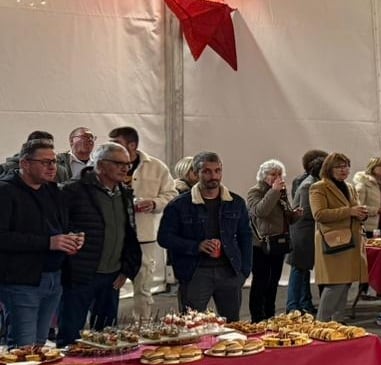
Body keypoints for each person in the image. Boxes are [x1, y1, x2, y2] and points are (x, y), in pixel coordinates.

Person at [58, 142, 140, 345]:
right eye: (119, 163)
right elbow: (59, 228)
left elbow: (129, 232)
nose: (125, 168)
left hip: (112, 276)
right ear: (101, 165)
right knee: (71, 335)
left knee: (107, 336)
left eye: (128, 164)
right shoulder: (72, 191)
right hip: (80, 275)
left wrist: (127, 269)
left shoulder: (125, 193)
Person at [157, 151, 253, 320]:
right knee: (191, 326)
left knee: (231, 326)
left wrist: (244, 271)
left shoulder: (236, 203)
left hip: (229, 272)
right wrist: (196, 246)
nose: (213, 176)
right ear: (195, 173)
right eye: (207, 171)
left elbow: (246, 236)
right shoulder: (179, 205)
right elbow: (164, 238)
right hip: (195, 273)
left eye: (217, 171)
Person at [0, 138, 78, 344]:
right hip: (21, 279)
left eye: (54, 161)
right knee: (23, 346)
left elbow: (56, 228)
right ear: (25, 163)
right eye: (45, 162)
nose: (52, 167)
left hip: (54, 276)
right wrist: (48, 243)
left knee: (40, 345)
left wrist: (69, 239)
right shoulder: (5, 192)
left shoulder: (53, 191)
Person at [111, 126, 176, 321]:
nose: (113, 148)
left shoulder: (156, 166)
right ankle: (106, 328)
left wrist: (155, 203)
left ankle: (143, 326)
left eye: (117, 144)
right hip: (114, 237)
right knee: (110, 284)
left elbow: (172, 194)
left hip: (144, 236)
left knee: (143, 286)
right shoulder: (106, 165)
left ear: (132, 145)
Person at [309, 153, 369, 322]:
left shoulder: (349, 186)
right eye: (339, 166)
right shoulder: (319, 187)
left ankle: (338, 322)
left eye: (346, 166)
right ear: (329, 169)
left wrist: (361, 214)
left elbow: (354, 209)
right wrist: (349, 211)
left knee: (346, 283)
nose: (344, 170)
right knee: (335, 284)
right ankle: (321, 323)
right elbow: (319, 214)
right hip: (333, 242)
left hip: (352, 242)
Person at [244, 159, 294, 322]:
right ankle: (257, 318)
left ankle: (270, 315)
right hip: (260, 245)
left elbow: (286, 214)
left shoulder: (281, 191)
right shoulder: (255, 191)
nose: (277, 177)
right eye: (273, 174)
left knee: (274, 282)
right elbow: (260, 211)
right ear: (264, 176)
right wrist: (273, 191)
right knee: (260, 282)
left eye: (279, 174)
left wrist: (294, 214)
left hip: (278, 243)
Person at [286, 150, 325, 315]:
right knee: (298, 270)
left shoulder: (312, 182)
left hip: (306, 232)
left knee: (303, 270)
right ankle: (293, 306)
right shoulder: (309, 185)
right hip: (303, 233)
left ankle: (304, 304)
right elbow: (308, 212)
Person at [352, 156, 381, 239]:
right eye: (380, 166)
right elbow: (358, 207)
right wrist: (378, 210)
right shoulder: (363, 183)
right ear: (372, 167)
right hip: (371, 228)